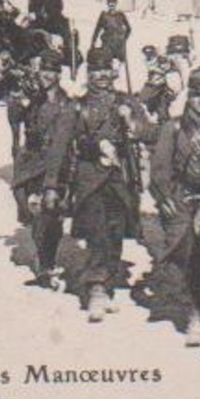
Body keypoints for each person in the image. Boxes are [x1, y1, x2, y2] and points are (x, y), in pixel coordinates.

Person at [43, 62, 142, 322]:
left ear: (113, 73)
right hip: (89, 180)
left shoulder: (127, 102)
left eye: (105, 70)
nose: (101, 76)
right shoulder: (77, 107)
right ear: (89, 75)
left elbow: (150, 132)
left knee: (115, 232)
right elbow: (59, 147)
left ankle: (106, 285)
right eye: (95, 71)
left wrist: (131, 120)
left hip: (121, 178)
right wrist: (51, 184)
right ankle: (96, 288)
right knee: (97, 231)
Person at [148, 66, 200, 347]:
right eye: (196, 94)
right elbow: (159, 169)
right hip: (182, 199)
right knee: (182, 254)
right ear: (189, 97)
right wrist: (164, 198)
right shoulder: (173, 128)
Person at [14, 57, 75, 289]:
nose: (47, 75)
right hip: (33, 164)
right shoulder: (33, 96)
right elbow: (16, 119)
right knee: (37, 212)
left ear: (59, 74)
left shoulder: (66, 103)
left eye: (52, 71)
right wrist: (20, 102)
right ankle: (45, 262)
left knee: (52, 215)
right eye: (44, 71)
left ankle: (46, 261)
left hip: (56, 163)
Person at [88, 0, 132, 76]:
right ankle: (108, 76)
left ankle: (118, 75)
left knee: (120, 62)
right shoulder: (103, 15)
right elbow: (97, 30)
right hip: (107, 43)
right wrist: (93, 43)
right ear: (107, 4)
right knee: (106, 61)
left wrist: (124, 39)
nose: (112, 6)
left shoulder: (121, 15)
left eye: (113, 4)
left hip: (119, 44)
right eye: (110, 4)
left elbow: (129, 28)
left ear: (116, 4)